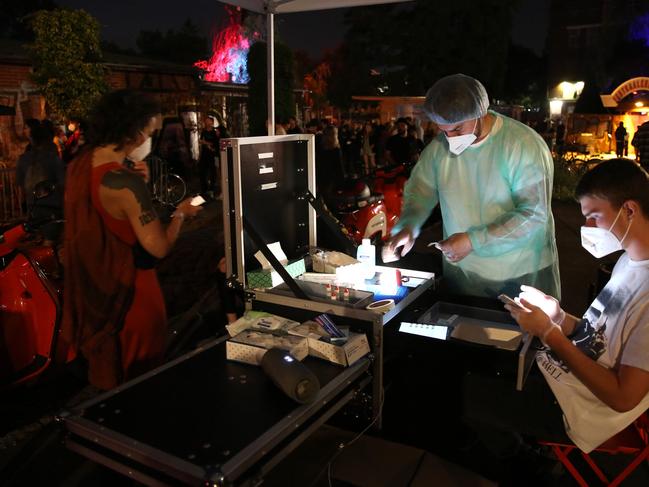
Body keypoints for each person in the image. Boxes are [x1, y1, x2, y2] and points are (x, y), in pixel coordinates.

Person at [464, 159, 649, 462]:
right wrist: (559, 318)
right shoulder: (630, 260)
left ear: (629, 209)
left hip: (578, 408)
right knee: (477, 359)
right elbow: (599, 335)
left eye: (593, 217)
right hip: (560, 373)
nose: (587, 228)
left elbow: (623, 397)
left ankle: (530, 464)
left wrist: (549, 334)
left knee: (464, 392)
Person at [62, 90, 202, 390]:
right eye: (150, 133)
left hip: (96, 289)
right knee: (140, 383)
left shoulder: (81, 164)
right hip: (131, 297)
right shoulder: (124, 182)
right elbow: (158, 246)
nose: (149, 141)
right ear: (134, 133)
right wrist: (180, 215)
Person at [383, 74, 560, 298]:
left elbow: (534, 213)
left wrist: (474, 241)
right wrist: (408, 226)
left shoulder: (522, 145)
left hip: (519, 272)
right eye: (443, 130)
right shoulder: (439, 150)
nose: (450, 138)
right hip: (464, 273)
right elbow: (420, 192)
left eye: (457, 129)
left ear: (479, 112)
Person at [198, 114, 219, 194]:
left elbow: (216, 143)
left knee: (212, 171)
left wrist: (207, 143)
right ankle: (204, 189)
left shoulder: (215, 132)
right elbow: (200, 141)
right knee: (202, 171)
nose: (207, 122)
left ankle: (212, 188)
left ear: (212, 122)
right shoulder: (203, 131)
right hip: (204, 154)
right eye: (206, 120)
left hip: (212, 154)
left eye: (209, 120)